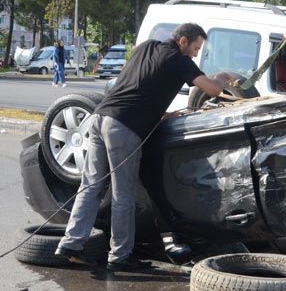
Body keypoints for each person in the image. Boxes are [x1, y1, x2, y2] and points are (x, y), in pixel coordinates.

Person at [55, 23, 234, 271]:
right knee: (123, 194)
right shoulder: (179, 60)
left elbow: (142, 82)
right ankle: (120, 256)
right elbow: (212, 89)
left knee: (91, 186)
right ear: (183, 41)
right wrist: (222, 78)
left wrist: (157, 112)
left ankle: (70, 244)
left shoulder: (147, 47)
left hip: (98, 118)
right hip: (123, 128)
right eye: (195, 47)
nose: (195, 53)